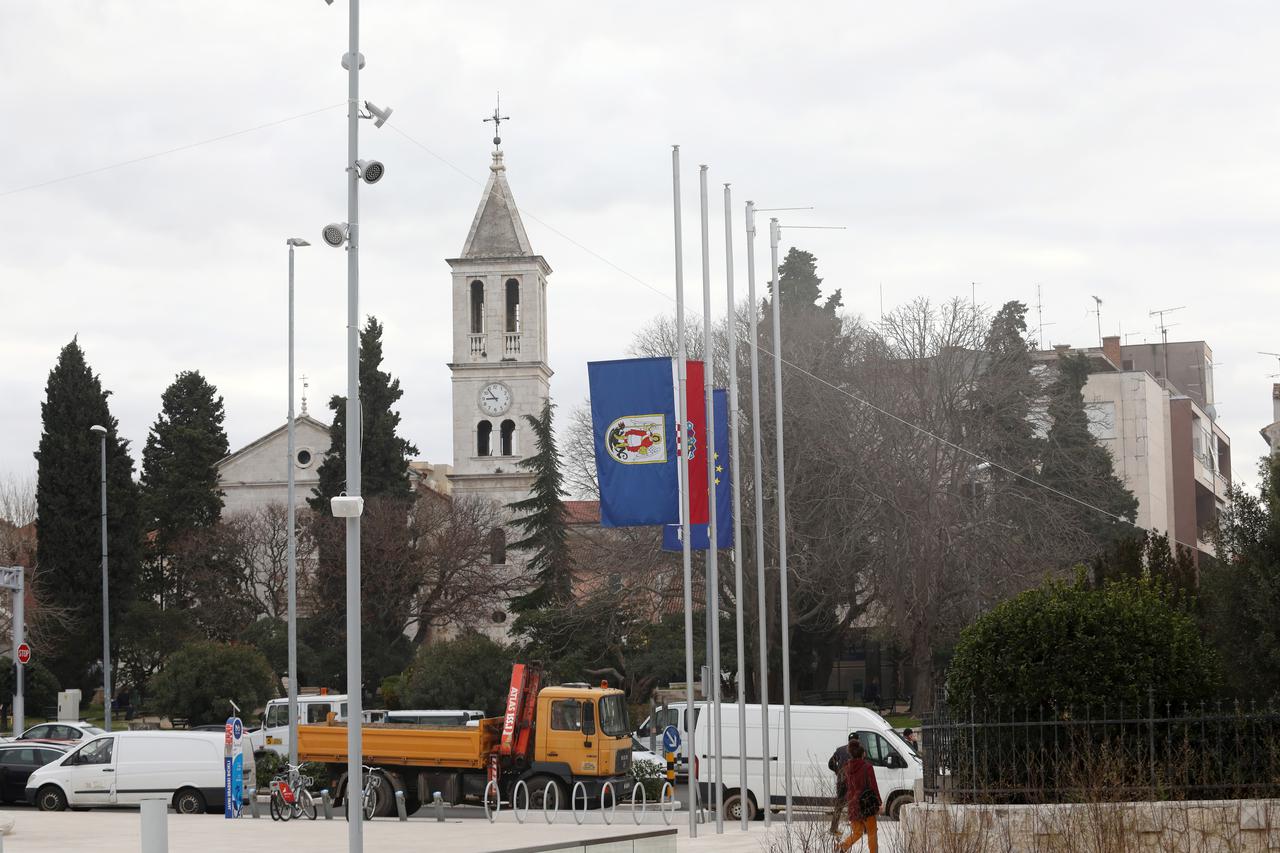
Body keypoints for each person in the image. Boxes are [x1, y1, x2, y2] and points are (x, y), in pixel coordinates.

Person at [840, 739, 881, 853]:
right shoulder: (867, 767)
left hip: (853, 804)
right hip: (866, 804)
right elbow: (873, 786)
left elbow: (846, 786)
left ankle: (842, 847)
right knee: (872, 832)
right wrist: (879, 802)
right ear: (862, 754)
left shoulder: (846, 767)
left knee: (857, 832)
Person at [827, 732, 857, 834]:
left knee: (839, 805)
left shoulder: (840, 750)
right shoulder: (858, 751)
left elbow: (830, 763)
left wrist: (838, 772)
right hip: (853, 782)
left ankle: (833, 829)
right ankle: (861, 828)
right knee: (858, 803)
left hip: (841, 781)